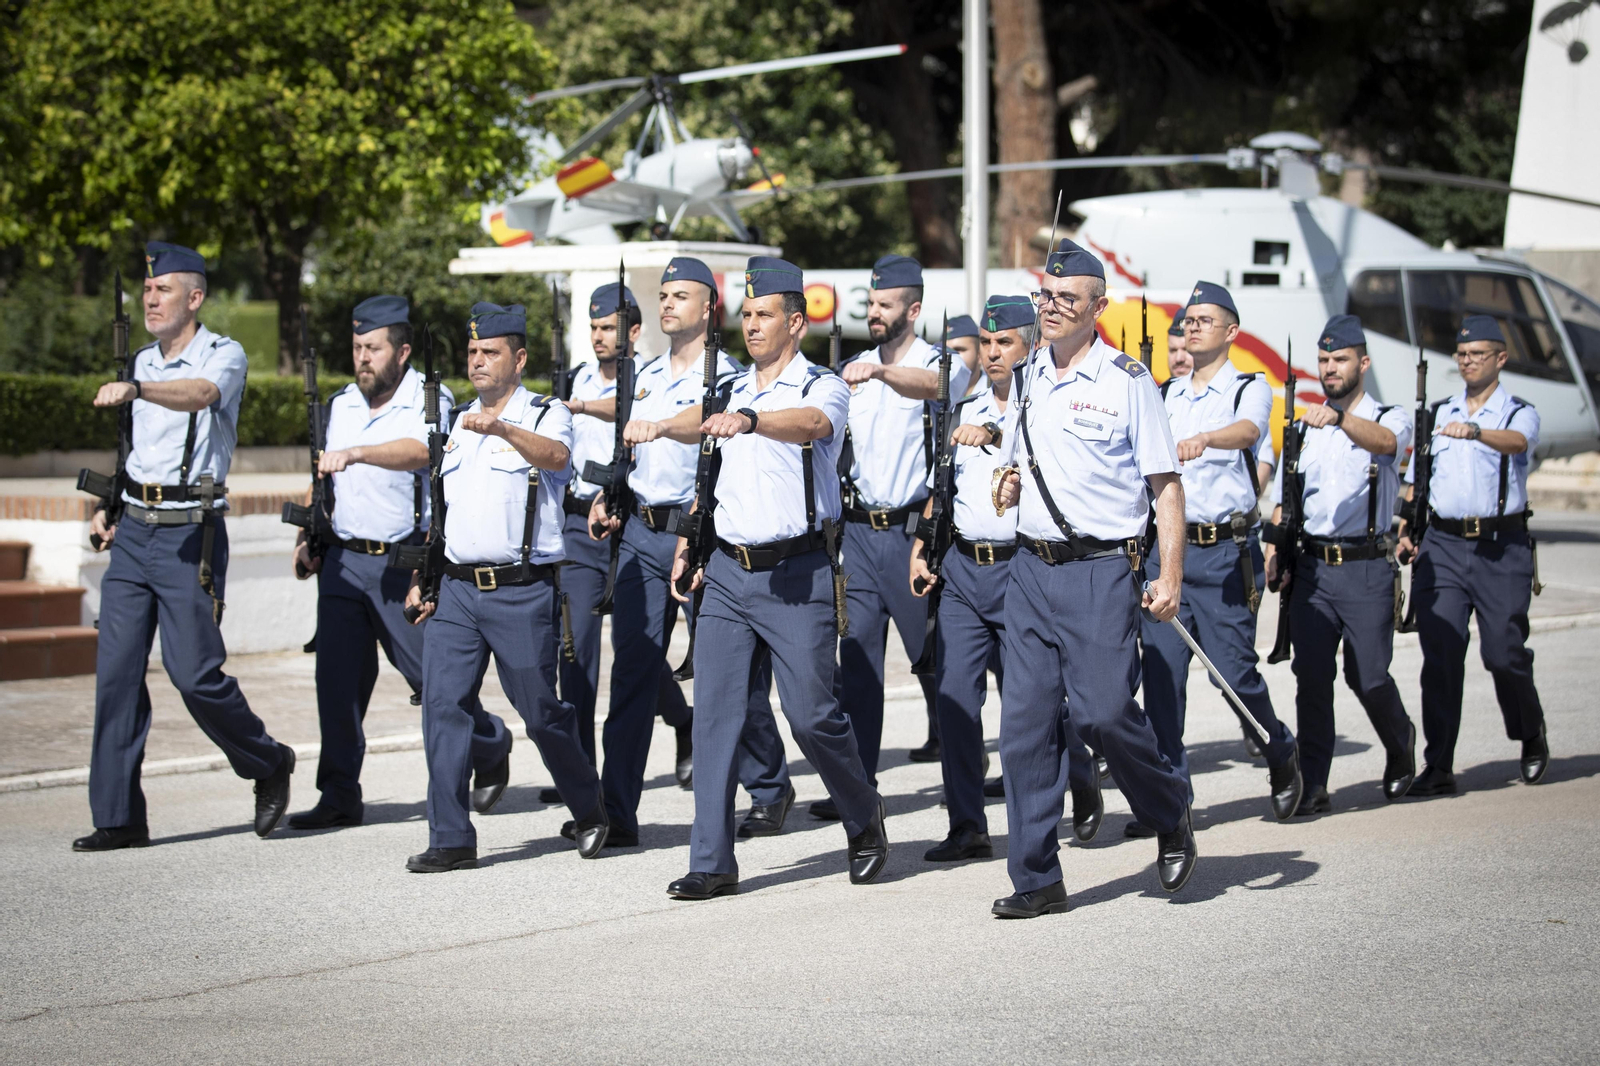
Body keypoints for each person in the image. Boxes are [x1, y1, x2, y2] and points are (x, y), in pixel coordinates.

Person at [659, 256, 888, 899]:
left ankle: (863, 812)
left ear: (796, 322)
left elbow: (813, 429)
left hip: (798, 572)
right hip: (730, 572)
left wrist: (756, 420)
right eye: (746, 315)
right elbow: (712, 476)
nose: (751, 326)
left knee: (812, 717)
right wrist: (689, 539)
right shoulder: (729, 389)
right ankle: (711, 860)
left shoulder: (823, 387)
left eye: (763, 315)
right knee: (716, 716)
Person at [990, 240, 1195, 918]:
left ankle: (1168, 808)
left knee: (1104, 713)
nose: (1049, 309)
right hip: (1029, 570)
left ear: (1097, 308)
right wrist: (1007, 478)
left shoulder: (1127, 380)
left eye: (1066, 299)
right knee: (1023, 729)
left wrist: (1169, 575)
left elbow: (1165, 487)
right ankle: (1036, 878)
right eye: (1044, 296)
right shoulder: (1026, 375)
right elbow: (1024, 457)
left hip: (1101, 571)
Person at [74, 241, 294, 851]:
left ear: (193, 298)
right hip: (135, 532)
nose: (150, 298)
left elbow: (200, 395)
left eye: (163, 289)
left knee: (194, 674)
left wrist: (138, 390)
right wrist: (106, 505)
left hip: (187, 534)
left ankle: (267, 760)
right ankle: (117, 817)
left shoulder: (223, 355)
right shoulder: (141, 359)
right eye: (147, 290)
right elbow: (130, 451)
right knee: (115, 676)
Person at [586, 258, 792, 846]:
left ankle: (770, 785)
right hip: (643, 535)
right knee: (632, 673)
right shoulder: (643, 373)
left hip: (701, 536)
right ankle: (617, 811)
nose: (668, 304)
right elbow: (631, 451)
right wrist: (610, 494)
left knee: (726, 675)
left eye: (681, 295)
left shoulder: (726, 378)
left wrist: (693, 525)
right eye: (663, 294)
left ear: (709, 308)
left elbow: (711, 440)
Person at [285, 296, 510, 830]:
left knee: (431, 680)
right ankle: (339, 794)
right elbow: (324, 475)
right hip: (344, 559)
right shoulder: (340, 404)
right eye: (358, 347)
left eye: (374, 348)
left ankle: (489, 742)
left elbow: (425, 451)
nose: (363, 357)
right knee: (336, 684)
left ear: (403, 351)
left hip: (402, 562)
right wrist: (307, 534)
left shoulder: (429, 399)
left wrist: (360, 451)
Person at [402, 302, 605, 872]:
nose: (478, 361)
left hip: (520, 590)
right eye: (472, 352)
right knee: (442, 707)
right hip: (459, 592)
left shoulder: (545, 413)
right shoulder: (458, 425)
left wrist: (504, 428)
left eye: (489, 352)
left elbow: (559, 458)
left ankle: (589, 806)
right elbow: (443, 514)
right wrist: (425, 576)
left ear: (518, 358)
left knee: (540, 713)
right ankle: (451, 836)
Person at [910, 295, 1105, 861]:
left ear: (1032, 347)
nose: (994, 353)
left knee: (1033, 703)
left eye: (1006, 343)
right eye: (988, 344)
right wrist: (924, 544)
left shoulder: (1045, 407)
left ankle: (1080, 774)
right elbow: (940, 489)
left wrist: (993, 437)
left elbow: (1027, 454)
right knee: (954, 700)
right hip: (965, 572)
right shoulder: (964, 406)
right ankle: (968, 825)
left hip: (1023, 569)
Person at [1136, 281, 1304, 834]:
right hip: (1167, 554)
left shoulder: (1247, 387)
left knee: (1234, 675)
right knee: (1163, 682)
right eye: (1188, 320)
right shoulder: (1163, 393)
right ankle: (1173, 802)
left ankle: (1279, 749)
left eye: (1205, 320)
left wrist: (1205, 439)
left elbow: (1250, 431)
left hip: (1224, 556)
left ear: (1231, 331)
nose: (1192, 326)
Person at [822, 254, 974, 818]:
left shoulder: (942, 362)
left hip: (914, 533)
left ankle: (963, 779)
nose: (875, 313)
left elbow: (937, 388)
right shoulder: (854, 367)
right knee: (857, 665)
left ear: (913, 308)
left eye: (886, 305)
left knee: (935, 664)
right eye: (871, 303)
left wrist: (884, 373)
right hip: (860, 535)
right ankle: (858, 791)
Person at [1264, 314, 1417, 816]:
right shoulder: (1306, 427)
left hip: (1366, 566)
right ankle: (1316, 783)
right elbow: (1290, 498)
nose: (1330, 369)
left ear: (1363, 363)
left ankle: (1401, 745)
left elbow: (1388, 446)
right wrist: (1276, 547)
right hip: (1312, 569)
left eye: (1341, 359)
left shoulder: (1389, 416)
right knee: (1312, 678)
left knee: (1368, 676)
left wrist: (1342, 421)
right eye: (1324, 360)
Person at [1398, 314, 1549, 795]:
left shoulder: (1516, 411)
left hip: (1499, 547)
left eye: (1477, 354)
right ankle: (1439, 765)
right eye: (1461, 355)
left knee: (1503, 653)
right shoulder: (1438, 412)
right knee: (1440, 655)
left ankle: (1530, 733)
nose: (1467, 362)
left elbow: (1519, 443)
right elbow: (1417, 478)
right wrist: (1406, 524)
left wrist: (1477, 432)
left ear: (1500, 359)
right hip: (1442, 545)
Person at [550, 282, 639, 788]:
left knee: (635, 650)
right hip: (579, 527)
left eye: (608, 327)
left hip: (629, 526)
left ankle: (681, 719)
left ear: (632, 330)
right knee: (575, 646)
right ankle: (578, 769)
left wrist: (580, 406)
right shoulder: (579, 377)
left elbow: (631, 411)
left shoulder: (643, 380)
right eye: (594, 327)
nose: (599, 336)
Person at [945, 314, 981, 393]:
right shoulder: (933, 399)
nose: (949, 355)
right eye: (945, 350)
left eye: (958, 350)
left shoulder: (997, 395)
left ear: (980, 355)